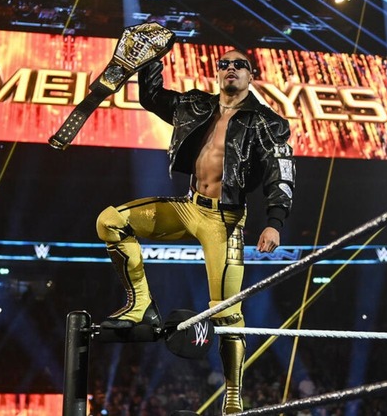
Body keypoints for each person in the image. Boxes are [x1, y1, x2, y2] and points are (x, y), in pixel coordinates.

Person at [95, 49, 295, 414]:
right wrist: (152, 59)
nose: (230, 69)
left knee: (225, 311)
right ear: (217, 74)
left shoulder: (267, 122)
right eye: (225, 64)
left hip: (227, 220)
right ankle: (141, 305)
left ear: (251, 76)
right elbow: (151, 97)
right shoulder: (196, 106)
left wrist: (274, 222)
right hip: (190, 207)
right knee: (110, 220)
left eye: (239, 65)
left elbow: (280, 173)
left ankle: (233, 392)